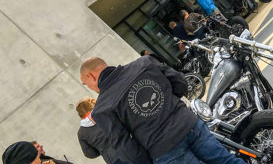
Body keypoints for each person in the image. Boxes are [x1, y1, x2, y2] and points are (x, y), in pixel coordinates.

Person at [80, 56, 242, 164]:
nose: (91, 88)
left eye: (86, 84)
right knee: (227, 161)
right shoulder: (144, 63)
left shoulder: (101, 109)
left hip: (165, 149)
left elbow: (125, 147)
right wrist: (170, 105)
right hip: (189, 124)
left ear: (91, 77)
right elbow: (181, 84)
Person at [76, 97, 124, 164]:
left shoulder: (81, 133)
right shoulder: (105, 111)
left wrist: (102, 150)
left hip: (113, 158)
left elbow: (89, 153)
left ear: (80, 114)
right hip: (129, 146)